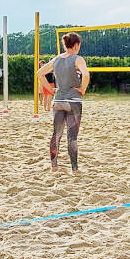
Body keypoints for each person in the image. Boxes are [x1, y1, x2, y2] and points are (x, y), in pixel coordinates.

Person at [37, 32, 90, 174]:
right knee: (72, 137)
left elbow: (39, 73)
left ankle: (54, 167)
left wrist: (49, 88)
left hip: (58, 101)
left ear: (65, 45)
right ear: (77, 45)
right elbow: (86, 74)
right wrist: (82, 89)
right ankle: (75, 169)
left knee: (56, 134)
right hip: (73, 101)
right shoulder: (78, 59)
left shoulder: (56, 59)